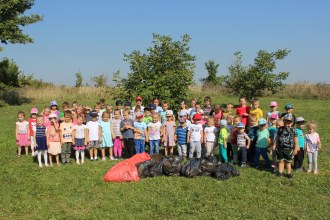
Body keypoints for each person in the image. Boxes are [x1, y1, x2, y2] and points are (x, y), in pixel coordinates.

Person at [274, 114, 298, 178]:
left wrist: (296, 148)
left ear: (292, 123)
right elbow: (277, 137)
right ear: (284, 121)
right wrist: (274, 145)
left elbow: (295, 139)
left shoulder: (294, 130)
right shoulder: (280, 129)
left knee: (288, 162)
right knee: (281, 161)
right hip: (280, 148)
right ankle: (280, 172)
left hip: (289, 148)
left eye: (289, 122)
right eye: (286, 121)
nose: (287, 123)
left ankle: (289, 173)